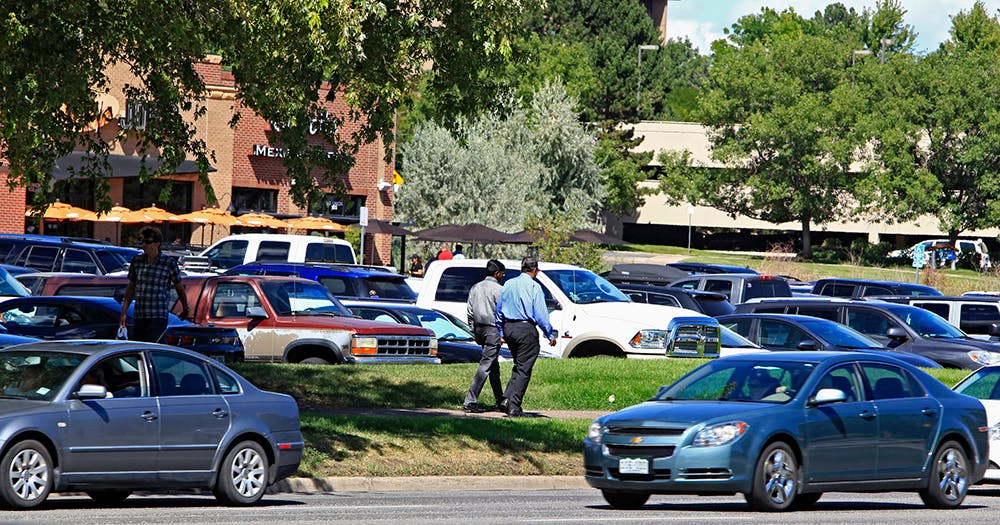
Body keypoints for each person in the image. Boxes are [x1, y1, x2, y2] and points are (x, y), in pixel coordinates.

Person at [495, 257, 556, 417]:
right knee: (524, 369)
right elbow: (541, 314)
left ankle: (505, 400)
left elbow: (499, 309)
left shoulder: (508, 284)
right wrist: (549, 333)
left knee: (519, 365)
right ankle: (514, 406)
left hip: (509, 328)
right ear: (534, 270)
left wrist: (501, 331)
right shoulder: (535, 287)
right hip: (525, 329)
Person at [119, 226, 191, 343]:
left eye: (148, 242)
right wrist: (124, 313)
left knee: (154, 344)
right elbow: (131, 287)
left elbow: (179, 287)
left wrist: (185, 308)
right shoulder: (137, 261)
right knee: (140, 346)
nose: (144, 245)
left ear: (157, 243)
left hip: (158, 314)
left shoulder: (168, 263)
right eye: (142, 242)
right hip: (140, 313)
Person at [462, 260, 506, 413]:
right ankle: (470, 401)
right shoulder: (499, 290)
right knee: (486, 365)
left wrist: (473, 329)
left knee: (493, 365)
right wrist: (502, 332)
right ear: (497, 273)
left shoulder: (476, 287)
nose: (503, 276)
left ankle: (500, 399)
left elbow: (469, 310)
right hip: (492, 329)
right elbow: (502, 312)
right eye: (502, 273)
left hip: (479, 328)